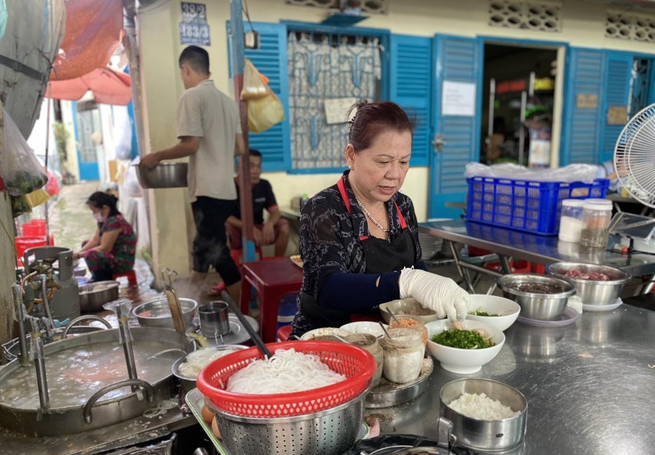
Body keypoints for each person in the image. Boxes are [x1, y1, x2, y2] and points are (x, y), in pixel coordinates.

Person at [290, 101, 470, 337]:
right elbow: (328, 288)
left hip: (393, 335)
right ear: (352, 155)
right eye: (383, 162)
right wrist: (405, 282)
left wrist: (434, 286)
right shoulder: (322, 209)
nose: (394, 174)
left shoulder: (402, 206)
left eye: (404, 162)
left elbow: (416, 267)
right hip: (331, 339)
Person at [140, 46, 245, 304]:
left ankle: (245, 313)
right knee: (204, 249)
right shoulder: (228, 103)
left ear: (185, 69)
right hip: (226, 190)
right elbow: (240, 148)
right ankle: (186, 304)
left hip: (206, 191)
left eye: (182, 73)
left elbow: (191, 145)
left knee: (217, 253)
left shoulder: (191, 97)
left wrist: (157, 156)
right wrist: (218, 153)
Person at [207, 149, 290, 296]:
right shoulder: (229, 186)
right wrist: (247, 227)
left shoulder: (264, 185)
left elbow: (275, 212)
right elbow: (225, 216)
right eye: (251, 166)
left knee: (283, 225)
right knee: (223, 229)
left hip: (260, 230)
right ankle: (228, 280)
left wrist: (270, 224)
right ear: (239, 168)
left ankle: (278, 270)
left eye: (258, 166)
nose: (256, 170)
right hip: (238, 229)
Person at [73, 191, 137, 282]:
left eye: (94, 211)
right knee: (86, 244)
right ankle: (96, 275)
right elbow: (95, 241)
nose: (94, 214)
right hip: (112, 256)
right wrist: (77, 253)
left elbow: (105, 248)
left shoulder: (115, 222)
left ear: (105, 208)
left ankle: (102, 279)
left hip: (122, 262)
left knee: (91, 254)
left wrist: (79, 255)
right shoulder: (104, 222)